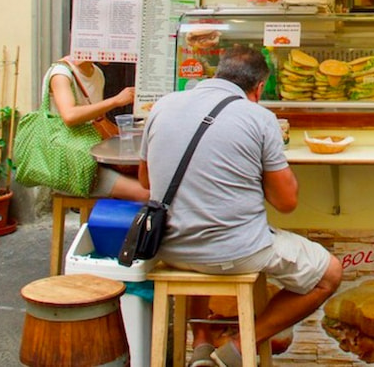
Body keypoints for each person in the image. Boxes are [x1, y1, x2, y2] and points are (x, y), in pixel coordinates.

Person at [139, 46, 343, 367]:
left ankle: (201, 346)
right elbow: (286, 202)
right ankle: (234, 350)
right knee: (329, 274)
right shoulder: (260, 117)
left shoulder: (163, 106)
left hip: (167, 246)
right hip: (235, 254)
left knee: (200, 243)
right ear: (259, 87)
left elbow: (145, 180)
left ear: (217, 72)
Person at [46, 57, 148, 201]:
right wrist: (115, 101)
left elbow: (97, 118)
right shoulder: (61, 73)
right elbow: (69, 116)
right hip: (73, 163)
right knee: (148, 194)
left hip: (95, 157)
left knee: (152, 181)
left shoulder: (97, 73)